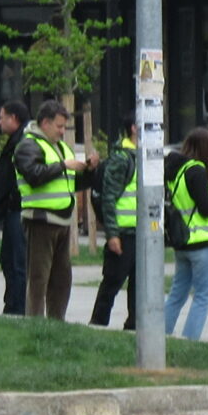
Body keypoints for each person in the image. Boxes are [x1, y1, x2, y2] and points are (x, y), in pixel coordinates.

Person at [14, 102, 78, 321]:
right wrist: (64, 166)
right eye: (59, 126)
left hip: (62, 219)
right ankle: (35, 323)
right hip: (40, 219)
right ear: (45, 123)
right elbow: (34, 175)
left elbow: (68, 183)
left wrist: (88, 168)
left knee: (62, 278)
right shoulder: (28, 145)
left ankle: (56, 322)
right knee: (39, 277)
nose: (62, 131)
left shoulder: (59, 147)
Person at [163, 126, 208, 340]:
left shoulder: (175, 169)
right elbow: (207, 208)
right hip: (202, 241)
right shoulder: (196, 170)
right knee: (204, 296)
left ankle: (162, 333)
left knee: (177, 293)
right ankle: (191, 339)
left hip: (183, 240)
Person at [84, 121, 140, 330]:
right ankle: (98, 324)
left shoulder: (142, 156)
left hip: (141, 233)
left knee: (139, 285)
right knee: (113, 282)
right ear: (133, 127)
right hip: (123, 233)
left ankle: (134, 326)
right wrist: (112, 234)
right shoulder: (122, 158)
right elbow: (108, 198)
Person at [0, 100, 29, 315]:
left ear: (13, 118)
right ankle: (12, 304)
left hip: (18, 209)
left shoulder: (22, 141)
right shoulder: (16, 140)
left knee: (17, 262)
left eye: (1, 117)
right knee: (8, 259)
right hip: (11, 209)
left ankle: (17, 308)